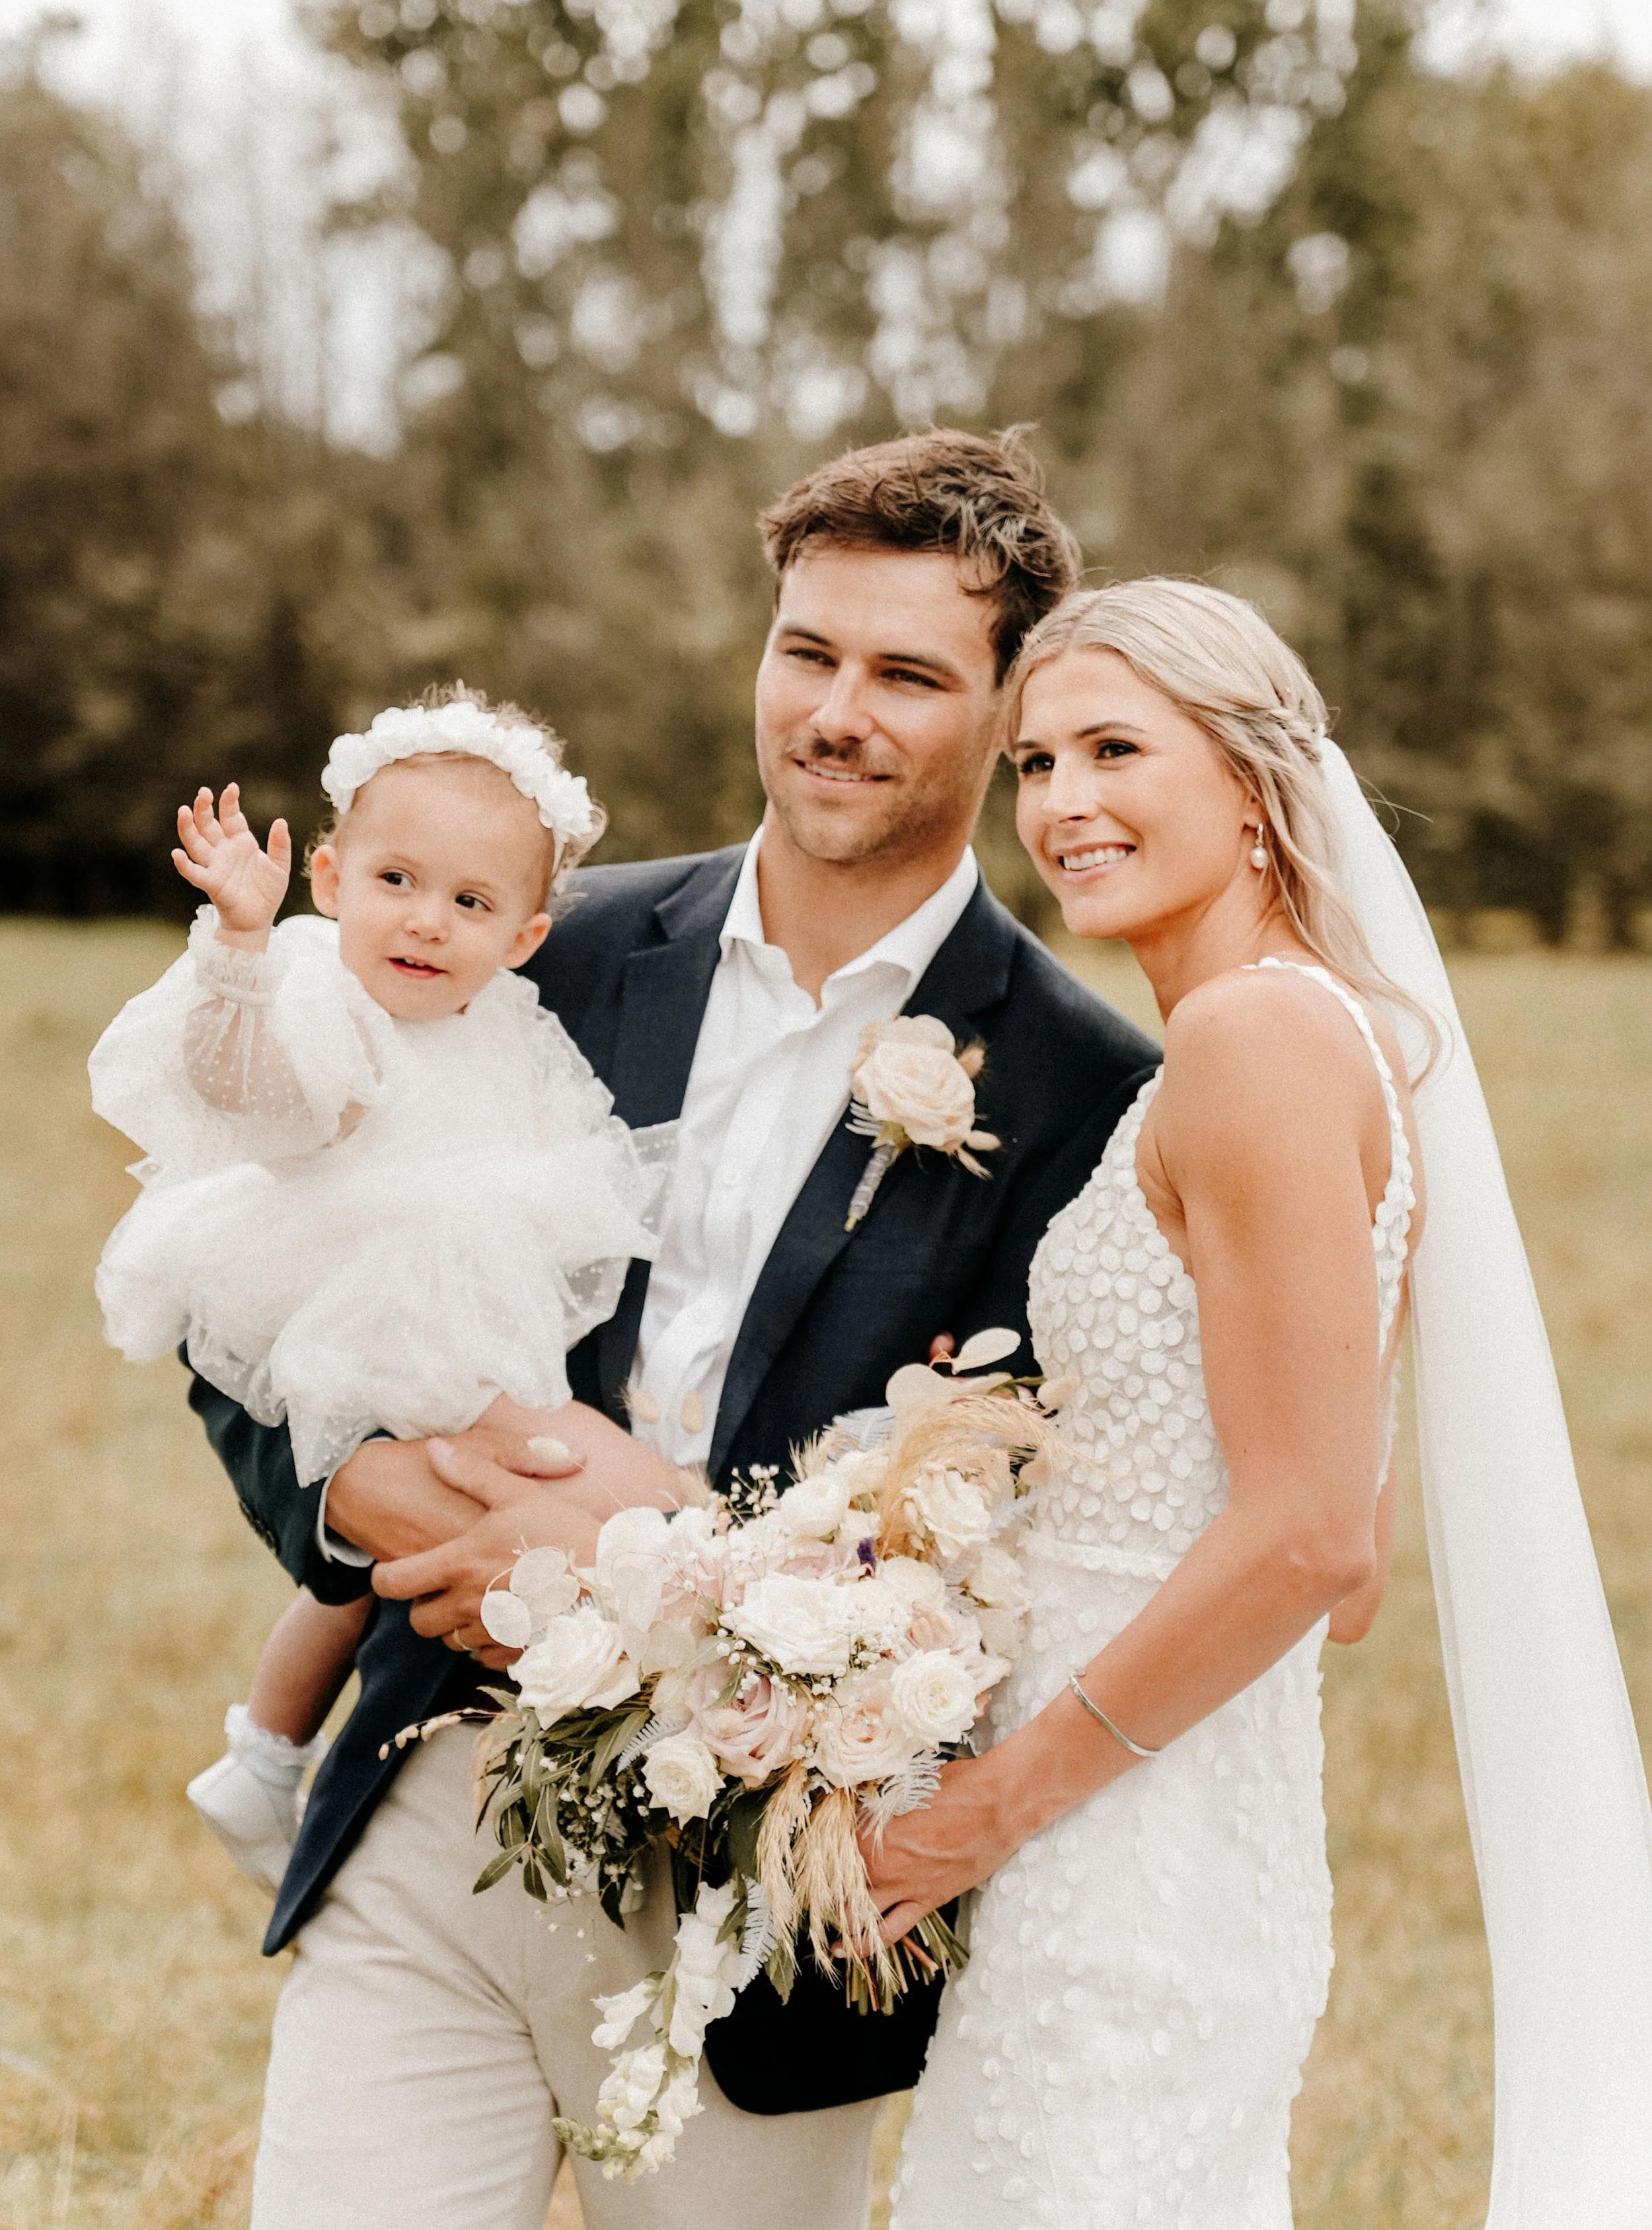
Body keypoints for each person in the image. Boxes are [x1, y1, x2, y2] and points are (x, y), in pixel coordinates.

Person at [183, 429, 1162, 2230]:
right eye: (809, 651)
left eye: (908, 673)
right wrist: (378, 1495)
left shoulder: (1087, 1094)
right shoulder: (528, 940)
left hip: (760, 1893)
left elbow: (1034, 1542)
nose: (837, 709)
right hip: (427, 1790)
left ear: (1009, 709)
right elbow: (252, 1279)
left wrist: (637, 1559)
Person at [871, 577, 1652, 2227]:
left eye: (1111, 749)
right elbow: (1349, 1550)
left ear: (1246, 779)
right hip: (1172, 1799)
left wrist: (983, 1811)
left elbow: (1306, 1538)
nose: (1063, 803)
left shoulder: (1249, 1042)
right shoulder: (1310, 1033)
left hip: (1118, 1837)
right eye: (1031, 763)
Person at [89, 687, 671, 1892]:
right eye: (397, 880)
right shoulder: (315, 994)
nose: (425, 922)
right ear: (331, 875)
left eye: (471, 903)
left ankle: (262, 1754)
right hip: (360, 1295)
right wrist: (241, 950)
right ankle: (274, 1752)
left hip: (444, 1303)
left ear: (523, 936)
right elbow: (258, 1091)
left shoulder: (500, 1023)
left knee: (358, 1570)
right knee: (563, 1468)